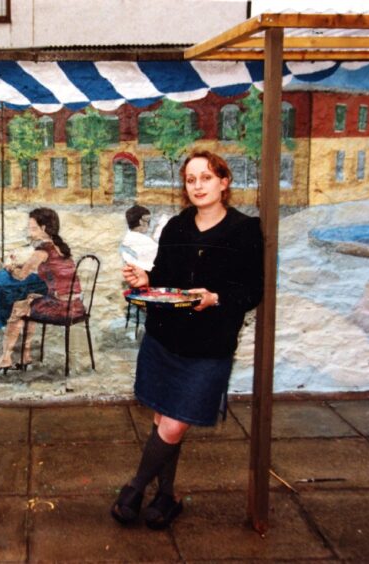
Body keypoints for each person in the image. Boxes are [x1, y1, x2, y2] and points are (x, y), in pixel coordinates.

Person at [112, 150, 264, 529]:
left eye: (206, 178)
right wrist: (144, 282)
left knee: (175, 424)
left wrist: (216, 297)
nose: (198, 186)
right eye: (191, 179)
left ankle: (135, 486)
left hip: (209, 345)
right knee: (165, 417)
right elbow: (164, 279)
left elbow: (253, 290)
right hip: (166, 338)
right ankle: (166, 497)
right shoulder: (177, 227)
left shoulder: (244, 230)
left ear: (224, 183)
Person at [0, 207, 83, 374]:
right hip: (75, 304)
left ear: (44, 228)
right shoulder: (60, 247)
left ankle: (5, 359)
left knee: (18, 308)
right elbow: (49, 270)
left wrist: (9, 268)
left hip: (62, 308)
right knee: (31, 301)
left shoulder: (42, 250)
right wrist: (21, 266)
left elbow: (21, 276)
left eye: (32, 227)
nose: (29, 231)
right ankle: (25, 357)